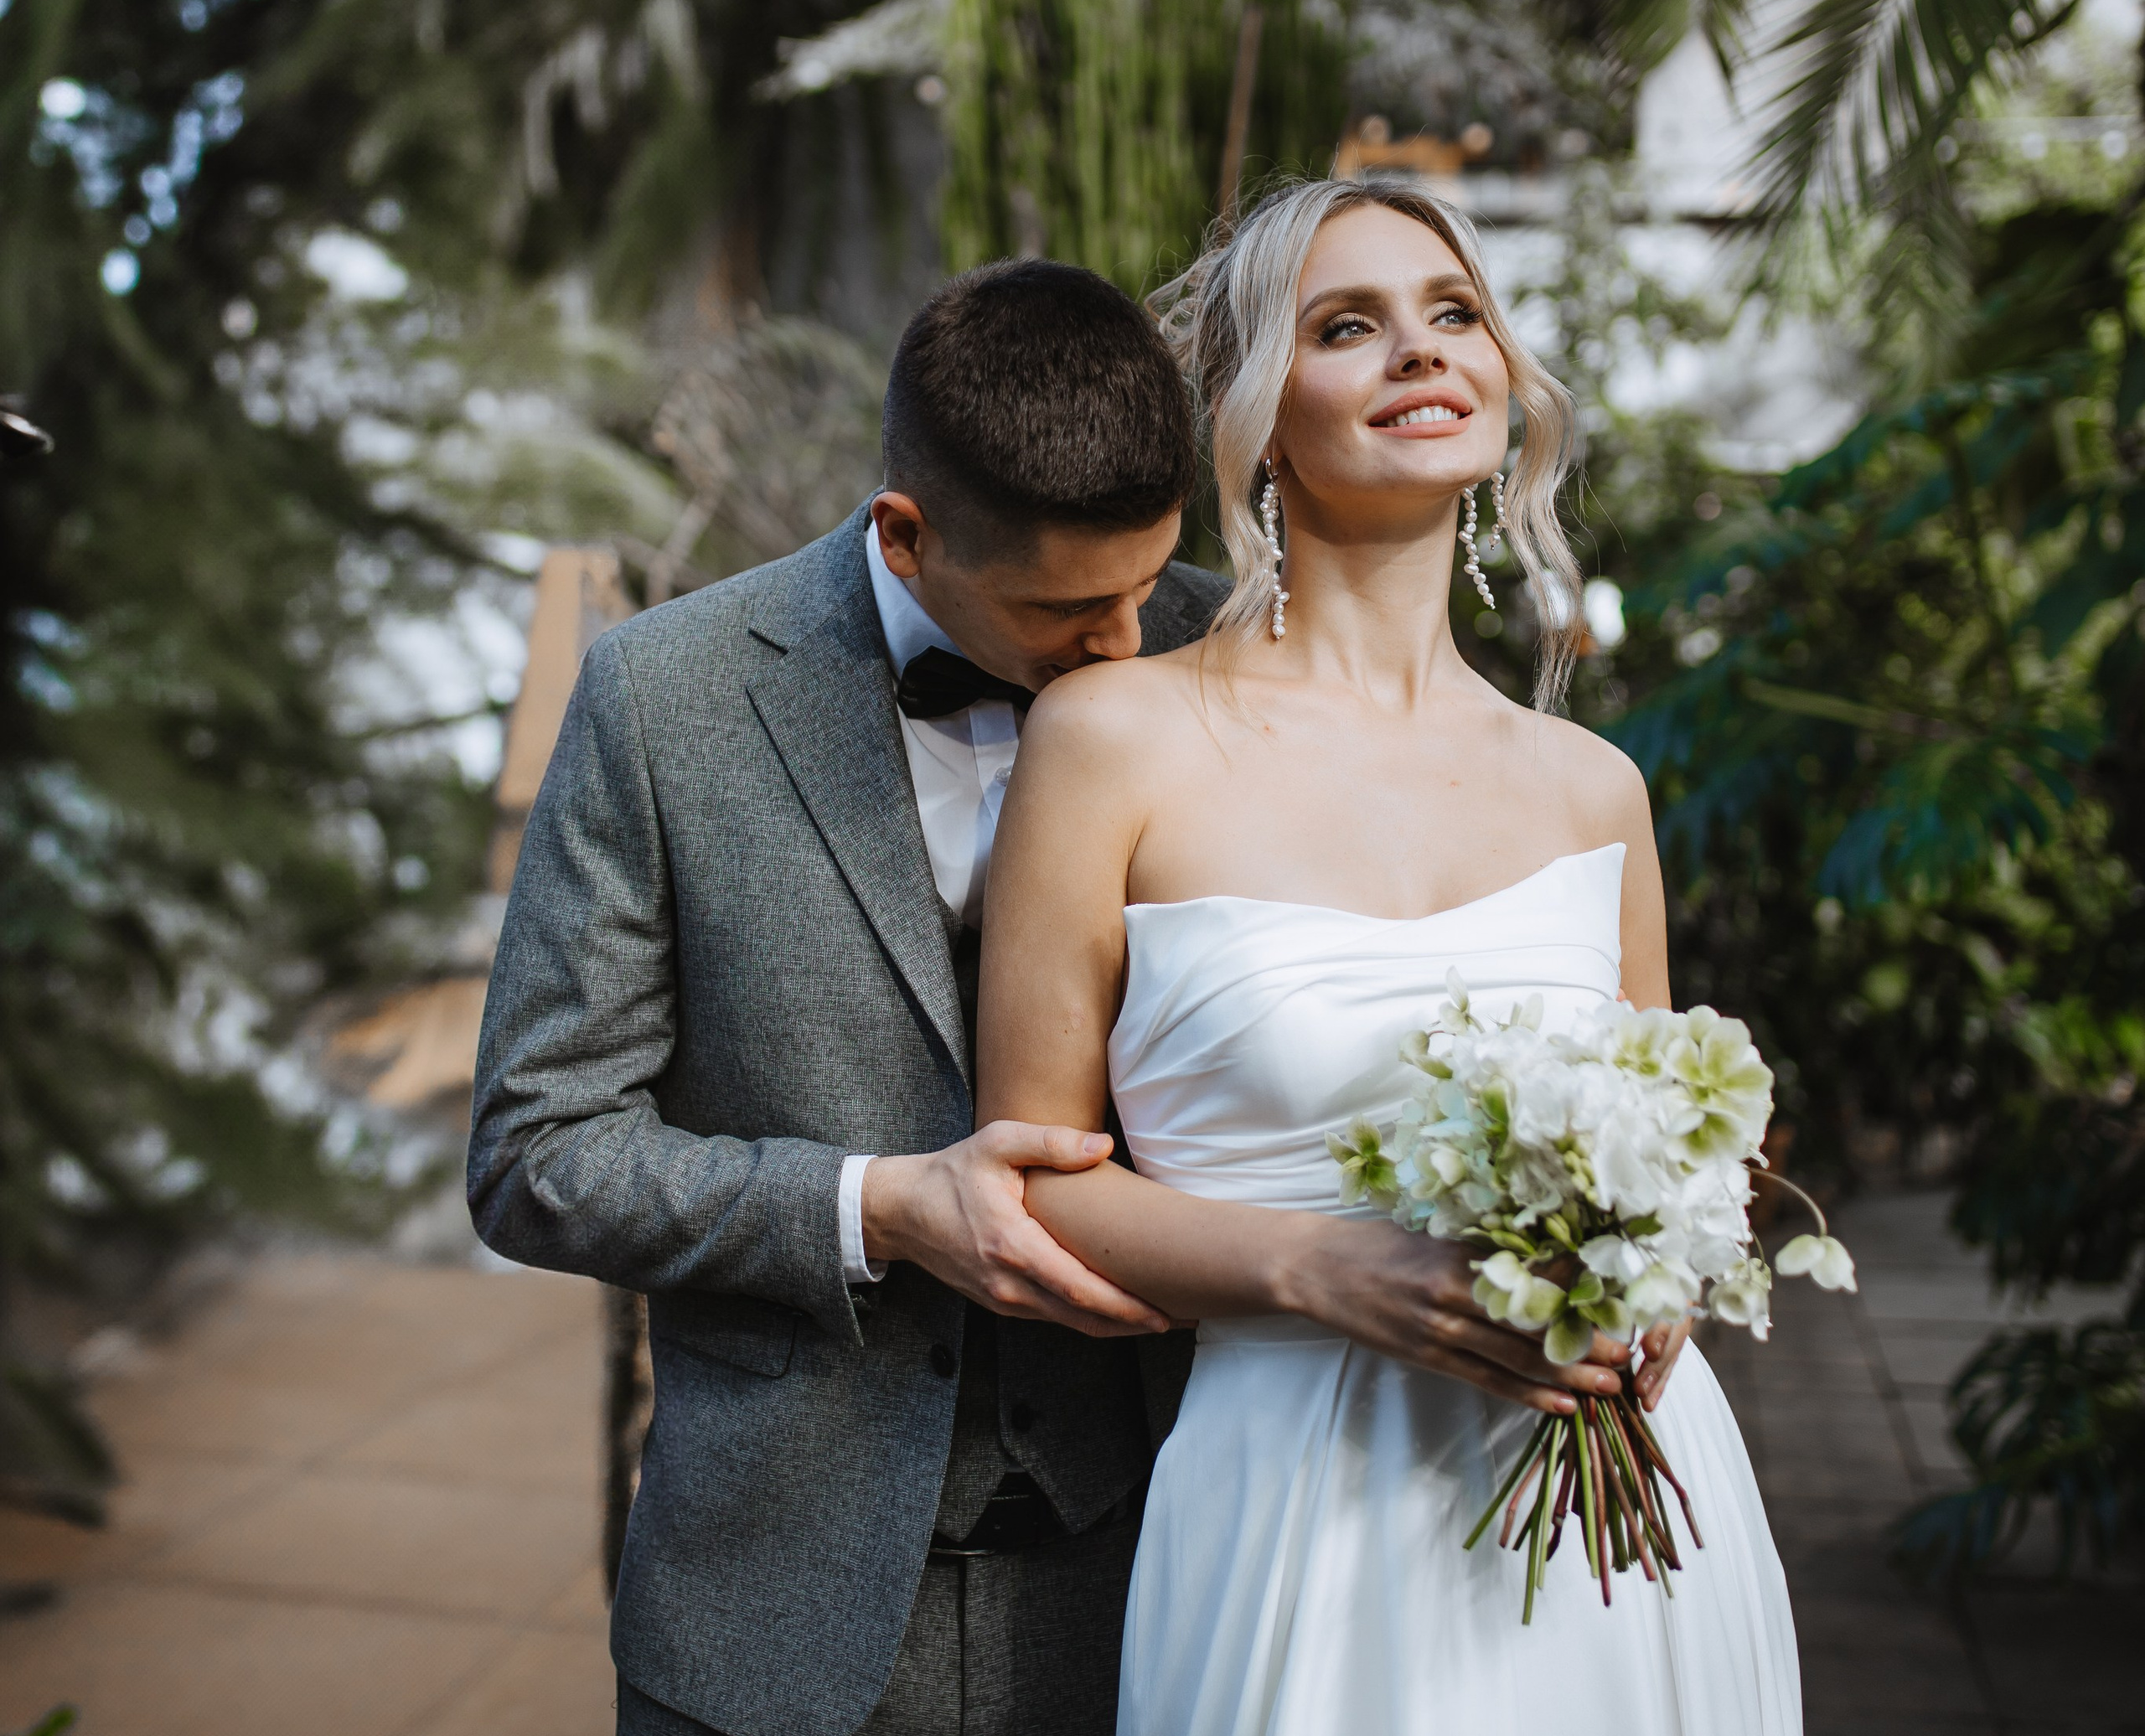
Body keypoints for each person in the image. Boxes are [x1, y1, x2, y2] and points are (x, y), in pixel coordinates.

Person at [978, 178, 1801, 1733]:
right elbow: (1031, 1175)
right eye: (1348, 328)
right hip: (1303, 1499)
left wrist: (1660, 1280)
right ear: (1258, 419)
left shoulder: (1591, 786)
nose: (1424, 355)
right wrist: (1324, 1269)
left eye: (1456, 315)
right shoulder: (1114, 738)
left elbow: (1678, 1157)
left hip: (1630, 1525)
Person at [468, 258, 1231, 1736]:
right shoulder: (660, 699)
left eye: (1146, 581)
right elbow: (533, 1156)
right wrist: (875, 1206)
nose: (1128, 645)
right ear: (906, 533)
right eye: (1069, 609)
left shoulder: (1229, 658)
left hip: (1160, 1569)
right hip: (770, 1607)